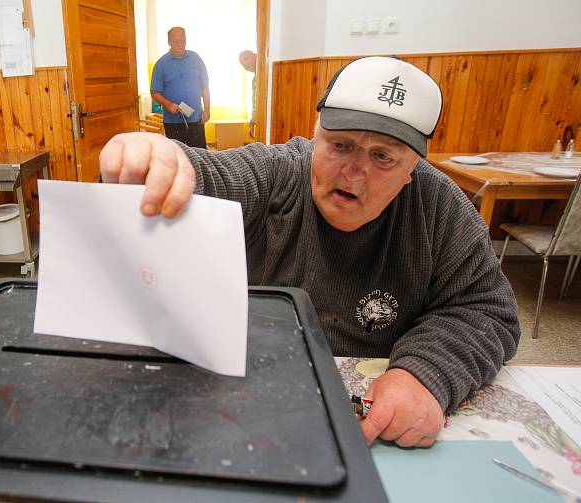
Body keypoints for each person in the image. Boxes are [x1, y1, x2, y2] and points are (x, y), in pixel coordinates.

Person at [99, 56, 521, 448]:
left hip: (372, 423)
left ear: (412, 170)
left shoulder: (441, 208)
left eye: (382, 157)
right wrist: (169, 162)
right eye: (339, 146)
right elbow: (217, 175)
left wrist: (422, 375)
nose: (354, 172)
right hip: (243, 403)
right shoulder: (279, 171)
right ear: (315, 136)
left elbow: (484, 308)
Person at [150, 27, 210, 149]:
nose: (180, 44)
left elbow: (205, 86)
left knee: (200, 156)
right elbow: (154, 92)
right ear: (169, 42)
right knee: (177, 158)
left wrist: (207, 109)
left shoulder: (195, 58)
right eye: (176, 41)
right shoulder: (161, 64)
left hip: (195, 119)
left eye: (182, 40)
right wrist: (168, 104)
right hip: (173, 123)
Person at [238, 50, 257, 138]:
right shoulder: (255, 79)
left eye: (246, 59)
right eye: (242, 63)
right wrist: (252, 124)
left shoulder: (266, 74)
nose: (244, 64)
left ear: (255, 56)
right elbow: (256, 105)